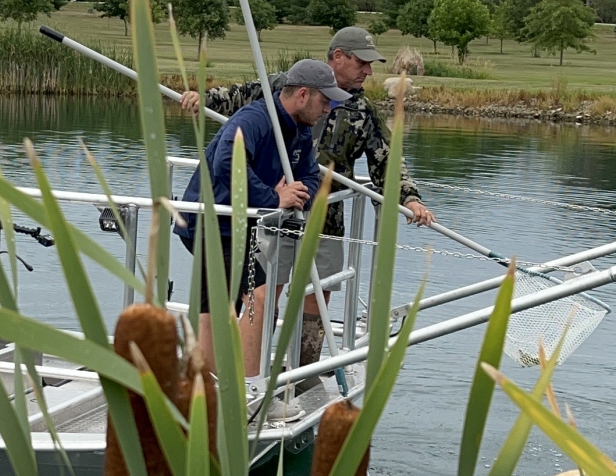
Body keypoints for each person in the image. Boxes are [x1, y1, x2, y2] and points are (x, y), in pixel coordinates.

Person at [179, 27, 439, 366]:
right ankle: (243, 375)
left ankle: (303, 371)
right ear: (338, 57)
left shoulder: (360, 110)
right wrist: (204, 97)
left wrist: (409, 197)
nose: (368, 71)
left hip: (321, 217)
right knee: (262, 292)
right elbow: (240, 103)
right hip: (269, 217)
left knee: (315, 293)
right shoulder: (285, 89)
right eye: (362, 62)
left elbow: (387, 159)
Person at [176, 59, 336, 384]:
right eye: (325, 100)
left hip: (243, 225)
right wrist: (273, 198)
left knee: (232, 303)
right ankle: (245, 391)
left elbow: (309, 173)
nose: (329, 109)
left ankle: (213, 384)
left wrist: (298, 194)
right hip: (211, 221)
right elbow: (226, 162)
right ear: (303, 95)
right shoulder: (255, 118)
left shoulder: (300, 131)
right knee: (253, 298)